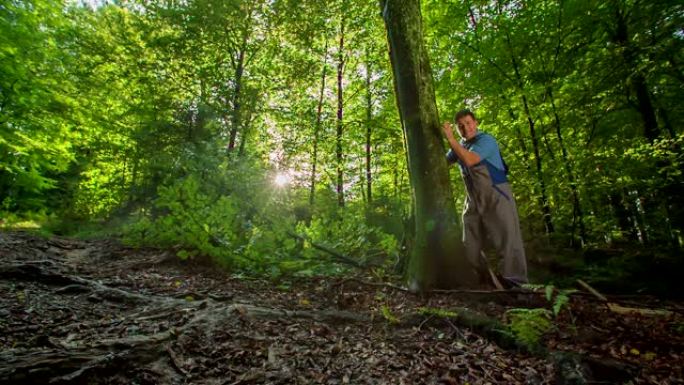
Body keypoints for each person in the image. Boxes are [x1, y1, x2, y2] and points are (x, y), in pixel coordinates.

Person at [443, 109, 528, 286]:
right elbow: (443, 161)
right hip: (473, 200)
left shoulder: (486, 140)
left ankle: (518, 286)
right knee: (470, 240)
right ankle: (477, 280)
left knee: (508, 239)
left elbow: (471, 160)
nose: (466, 128)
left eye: (468, 123)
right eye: (460, 126)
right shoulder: (461, 145)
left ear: (476, 122)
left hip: (497, 194)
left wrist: (450, 139)